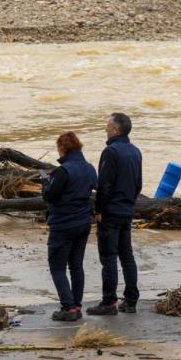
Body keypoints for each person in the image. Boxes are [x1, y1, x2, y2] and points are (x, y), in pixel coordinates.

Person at [88, 113, 142, 316]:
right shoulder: (135, 151)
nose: (105, 129)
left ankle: (109, 302)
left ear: (116, 130)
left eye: (108, 126)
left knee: (109, 257)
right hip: (126, 210)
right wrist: (130, 204)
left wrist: (98, 210)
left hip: (111, 212)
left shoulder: (111, 152)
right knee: (127, 255)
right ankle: (131, 300)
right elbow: (138, 184)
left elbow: (104, 185)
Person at [43, 131, 97, 321]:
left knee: (57, 267)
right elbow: (94, 186)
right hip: (83, 223)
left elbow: (50, 195)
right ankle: (77, 304)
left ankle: (69, 308)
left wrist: (45, 179)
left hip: (63, 224)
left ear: (62, 149)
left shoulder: (63, 171)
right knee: (76, 266)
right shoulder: (90, 168)